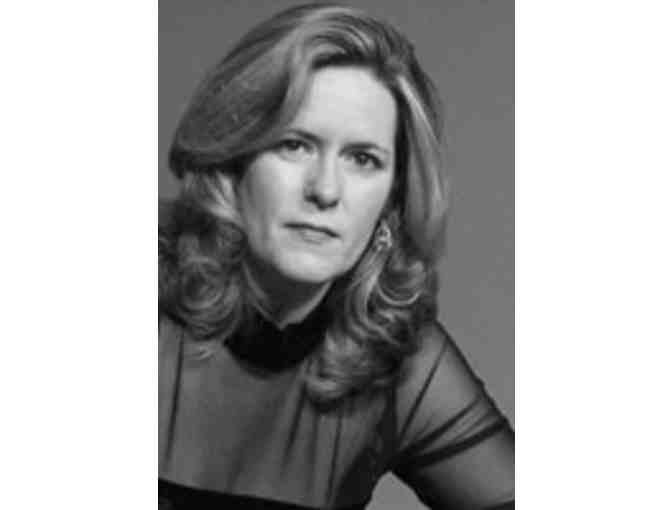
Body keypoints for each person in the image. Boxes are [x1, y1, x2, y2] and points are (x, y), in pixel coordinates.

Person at [159, 3, 514, 509]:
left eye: (363, 159)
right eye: (294, 145)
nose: (325, 190)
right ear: (232, 158)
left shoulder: (393, 357)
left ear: (392, 198)